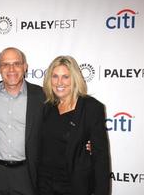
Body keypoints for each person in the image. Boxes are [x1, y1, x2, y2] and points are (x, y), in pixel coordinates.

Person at [38, 55, 110, 195]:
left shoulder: (91, 108)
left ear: (75, 78)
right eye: (55, 76)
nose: (60, 82)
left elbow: (101, 158)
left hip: (75, 187)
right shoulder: (47, 107)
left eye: (65, 77)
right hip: (44, 186)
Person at [0, 47, 45, 195]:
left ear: (25, 67)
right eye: (5, 64)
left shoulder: (42, 96)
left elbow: (59, 126)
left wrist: (83, 142)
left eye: (17, 63)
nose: (11, 69)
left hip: (27, 174)